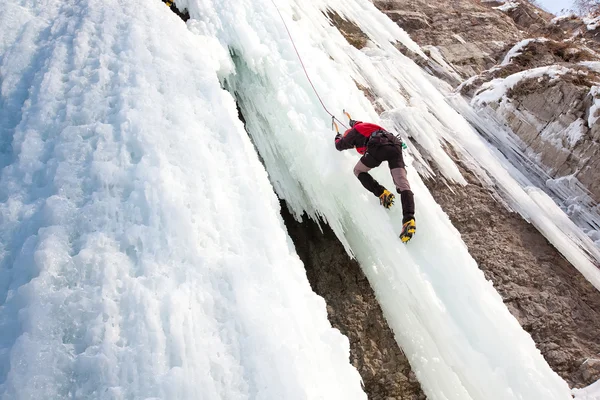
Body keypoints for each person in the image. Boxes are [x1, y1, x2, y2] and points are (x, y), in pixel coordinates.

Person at [335, 119, 416, 242]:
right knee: (403, 184)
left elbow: (340, 145)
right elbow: (357, 123)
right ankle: (409, 219)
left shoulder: (352, 133)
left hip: (377, 146)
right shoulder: (366, 126)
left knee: (358, 171)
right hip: (395, 144)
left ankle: (382, 193)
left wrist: (338, 137)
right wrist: (352, 122)